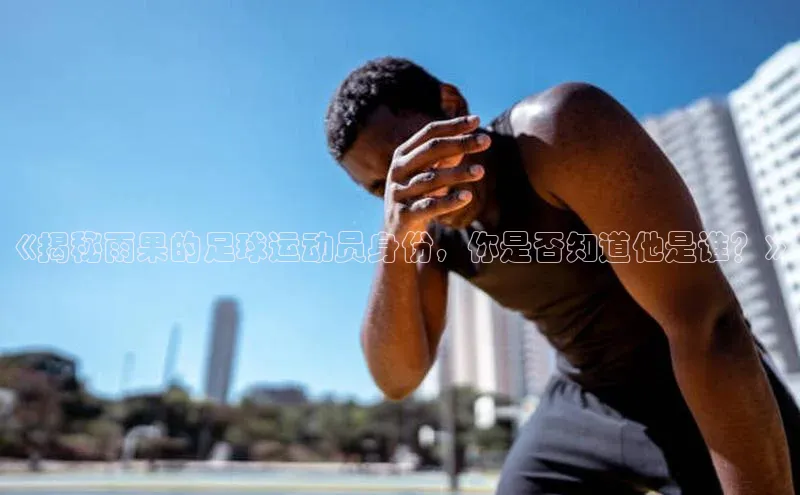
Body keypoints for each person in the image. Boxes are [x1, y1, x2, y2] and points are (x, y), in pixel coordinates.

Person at [323, 57, 800, 494]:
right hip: (584, 394)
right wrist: (394, 241)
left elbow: (707, 325)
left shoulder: (557, 133)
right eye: (381, 187)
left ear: (451, 106)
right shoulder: (422, 234)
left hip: (694, 381)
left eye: (410, 158)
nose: (409, 188)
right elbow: (398, 379)